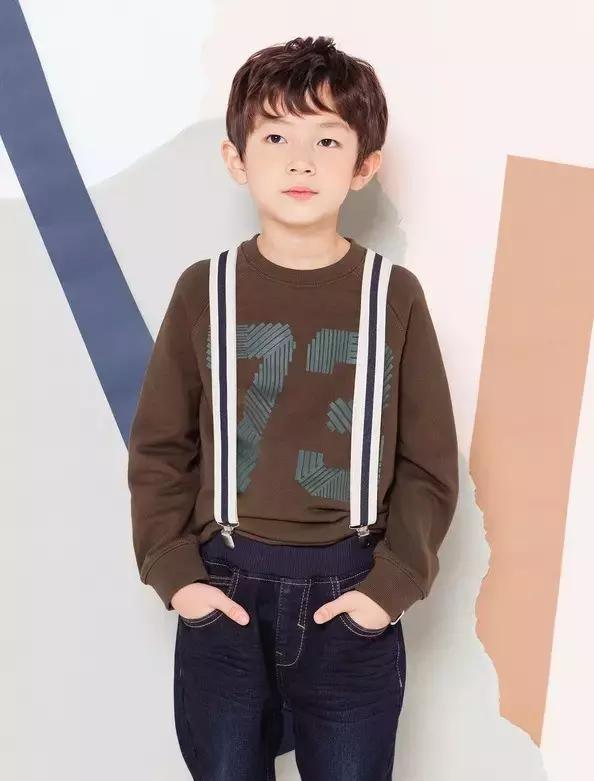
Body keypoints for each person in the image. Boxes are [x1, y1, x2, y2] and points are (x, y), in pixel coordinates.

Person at [127, 34, 459, 781]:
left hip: (350, 586)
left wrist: (388, 589)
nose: (301, 162)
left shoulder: (392, 295)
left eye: (328, 140)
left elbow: (428, 463)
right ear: (236, 158)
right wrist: (179, 576)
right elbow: (161, 446)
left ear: (365, 165)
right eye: (276, 136)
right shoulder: (205, 289)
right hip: (226, 583)